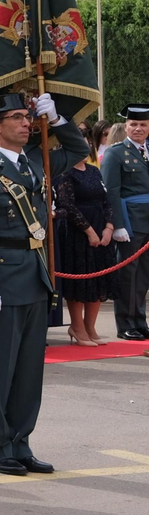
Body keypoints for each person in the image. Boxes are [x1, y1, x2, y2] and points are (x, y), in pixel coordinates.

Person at [0, 92, 88, 475]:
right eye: (15, 117)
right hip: (3, 277)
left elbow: (77, 148)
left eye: (27, 116)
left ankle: (21, 442)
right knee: (1, 370)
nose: (25, 123)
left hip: (35, 274)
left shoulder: (36, 161)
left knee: (30, 369)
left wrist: (60, 120)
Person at [55, 148, 113, 346]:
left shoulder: (94, 171)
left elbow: (106, 200)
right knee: (79, 280)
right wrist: (89, 231)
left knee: (98, 280)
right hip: (77, 232)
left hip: (100, 227)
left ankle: (90, 327)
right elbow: (67, 205)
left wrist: (109, 227)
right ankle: (77, 327)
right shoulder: (65, 172)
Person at [100, 104, 149, 340]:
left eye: (143, 125)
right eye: (134, 124)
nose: (138, 128)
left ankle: (140, 320)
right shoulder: (115, 152)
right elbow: (111, 192)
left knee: (144, 275)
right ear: (126, 126)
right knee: (128, 274)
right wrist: (117, 224)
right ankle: (125, 324)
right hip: (130, 220)